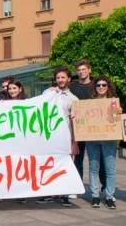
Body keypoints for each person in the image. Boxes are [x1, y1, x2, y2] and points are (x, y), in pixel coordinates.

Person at [37, 67, 79, 207]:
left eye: (63, 77)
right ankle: (48, 193)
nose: (60, 80)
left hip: (65, 138)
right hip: (49, 138)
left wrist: (75, 142)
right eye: (58, 78)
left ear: (69, 79)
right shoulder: (48, 93)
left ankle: (64, 195)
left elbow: (75, 123)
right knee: (48, 164)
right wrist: (49, 92)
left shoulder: (74, 99)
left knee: (65, 166)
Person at [69, 59, 106, 189]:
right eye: (79, 70)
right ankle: (77, 186)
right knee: (77, 158)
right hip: (78, 127)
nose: (81, 72)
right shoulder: (72, 87)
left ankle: (105, 184)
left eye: (84, 69)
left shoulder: (97, 85)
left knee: (98, 158)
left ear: (89, 70)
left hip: (94, 129)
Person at [86, 75, 120, 209]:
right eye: (98, 85)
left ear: (108, 87)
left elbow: (116, 121)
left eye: (104, 85)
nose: (101, 87)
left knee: (109, 169)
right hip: (92, 139)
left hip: (109, 140)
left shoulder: (113, 102)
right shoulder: (89, 103)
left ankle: (109, 196)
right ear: (95, 87)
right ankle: (95, 195)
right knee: (94, 168)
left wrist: (119, 113)